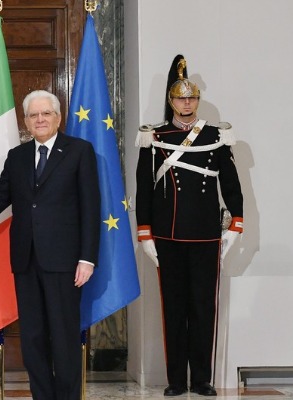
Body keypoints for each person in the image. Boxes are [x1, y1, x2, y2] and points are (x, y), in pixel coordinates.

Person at [0, 90, 101, 400]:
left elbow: (91, 208)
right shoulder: (17, 156)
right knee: (33, 339)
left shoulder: (79, 151)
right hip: (26, 261)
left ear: (58, 117)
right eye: (33, 115)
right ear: (25, 121)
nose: (40, 119)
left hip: (65, 263)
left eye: (46, 113)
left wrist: (87, 258)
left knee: (64, 338)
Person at [135, 55, 243, 397]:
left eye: (192, 98)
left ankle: (201, 379)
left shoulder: (216, 135)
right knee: (173, 308)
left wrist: (236, 224)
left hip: (206, 235)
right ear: (171, 101)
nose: (187, 103)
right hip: (167, 235)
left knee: (203, 308)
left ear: (197, 100)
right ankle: (176, 381)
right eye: (181, 98)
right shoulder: (154, 136)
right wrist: (144, 232)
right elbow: (143, 188)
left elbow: (231, 184)